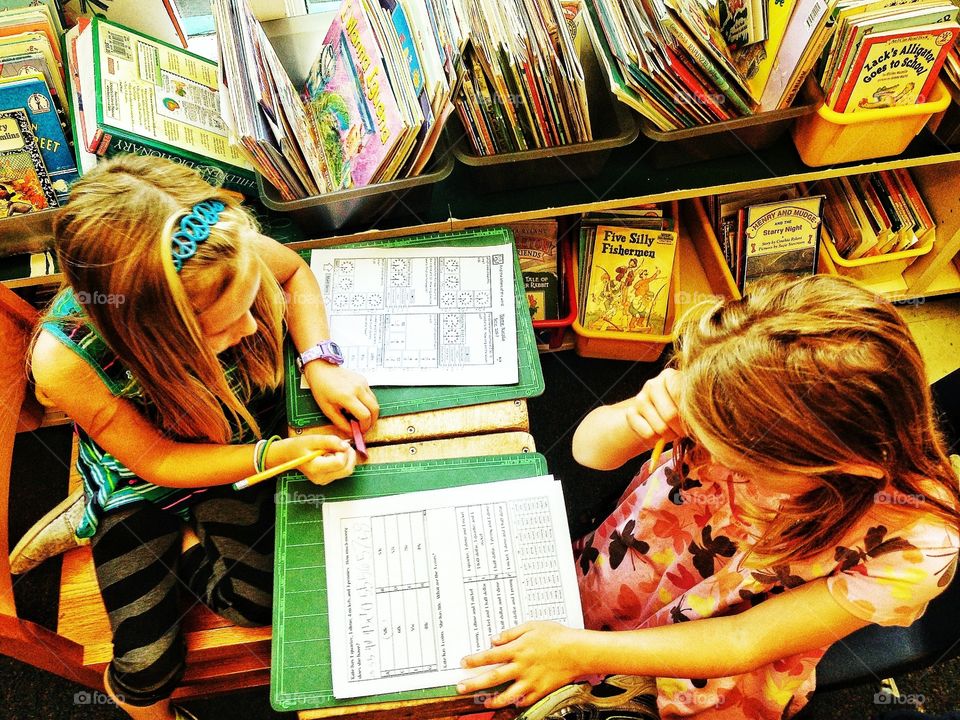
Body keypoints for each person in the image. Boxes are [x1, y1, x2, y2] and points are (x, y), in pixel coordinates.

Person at [456, 275, 960, 719]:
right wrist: (635, 417)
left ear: (844, 465)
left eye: (732, 457)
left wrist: (584, 654)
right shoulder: (728, 384)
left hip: (704, 669)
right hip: (616, 577)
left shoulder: (914, 548)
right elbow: (588, 451)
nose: (694, 434)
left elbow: (744, 641)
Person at [26, 155, 379, 720]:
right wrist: (278, 455)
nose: (250, 328)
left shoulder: (216, 251)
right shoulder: (62, 361)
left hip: (232, 444)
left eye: (248, 308)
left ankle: (184, 540)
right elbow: (158, 460)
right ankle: (94, 513)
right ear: (150, 334)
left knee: (259, 601)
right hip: (142, 479)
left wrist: (319, 362)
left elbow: (294, 273)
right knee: (145, 668)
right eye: (226, 325)